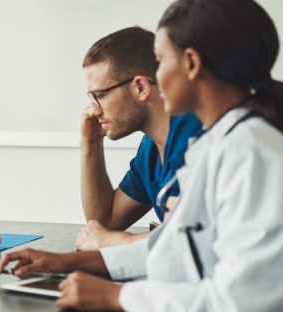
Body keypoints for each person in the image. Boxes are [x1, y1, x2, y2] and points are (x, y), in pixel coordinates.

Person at [0, 0, 283, 310]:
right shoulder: (218, 147)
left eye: (161, 60)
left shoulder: (256, 157)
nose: (155, 76)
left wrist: (116, 297)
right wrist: (66, 261)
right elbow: (179, 251)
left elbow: (242, 303)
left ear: (191, 64)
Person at [76, 26, 203, 251]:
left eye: (101, 95)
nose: (93, 110)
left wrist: (112, 241)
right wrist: (90, 142)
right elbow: (103, 222)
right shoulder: (151, 149)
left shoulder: (198, 137)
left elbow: (193, 240)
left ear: (141, 87)